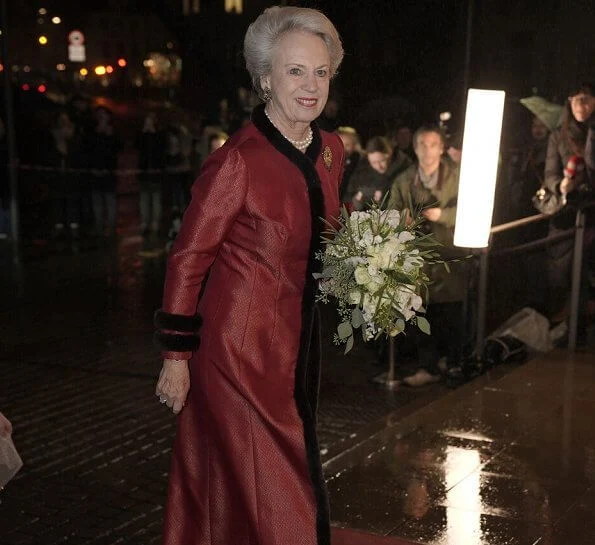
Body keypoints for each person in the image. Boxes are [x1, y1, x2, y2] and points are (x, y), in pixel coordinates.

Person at [153, 6, 344, 544]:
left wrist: (376, 266)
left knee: (249, 484)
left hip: (295, 346)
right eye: (295, 71)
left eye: (321, 72)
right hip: (236, 352)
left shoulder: (331, 151)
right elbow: (189, 257)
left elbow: (331, 229)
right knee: (273, 484)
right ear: (265, 79)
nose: (310, 85)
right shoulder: (237, 160)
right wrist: (176, 357)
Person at [388, 125, 468, 386]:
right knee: (422, 310)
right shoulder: (405, 179)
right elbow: (391, 211)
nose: (427, 150)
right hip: (418, 256)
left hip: (450, 252)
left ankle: (454, 361)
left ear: (442, 148)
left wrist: (443, 216)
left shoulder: (458, 176)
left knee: (452, 309)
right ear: (414, 148)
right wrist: (402, 219)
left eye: (433, 144)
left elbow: (471, 207)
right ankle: (428, 366)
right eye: (421, 144)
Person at [544, 82, 595, 335]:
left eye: (585, 99)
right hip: (569, 212)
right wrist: (562, 184)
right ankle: (565, 322)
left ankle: (581, 322)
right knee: (560, 272)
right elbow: (550, 175)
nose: (580, 106)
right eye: (574, 99)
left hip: (592, 208)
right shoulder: (558, 136)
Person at [347, 135, 412, 210]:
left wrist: (381, 199)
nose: (378, 166)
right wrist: (358, 199)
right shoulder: (363, 169)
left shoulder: (404, 168)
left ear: (389, 154)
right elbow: (352, 194)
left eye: (382, 161)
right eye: (374, 163)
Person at [89, 107, 120, 237]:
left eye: (104, 115)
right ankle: (99, 226)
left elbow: (116, 149)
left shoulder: (112, 132)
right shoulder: (91, 131)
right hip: (94, 172)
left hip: (109, 172)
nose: (102, 117)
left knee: (109, 200)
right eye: (99, 115)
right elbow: (88, 150)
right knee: (97, 201)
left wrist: (109, 135)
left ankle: (111, 227)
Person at [137, 112, 165, 236]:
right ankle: (144, 222)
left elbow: (161, 150)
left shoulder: (160, 135)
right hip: (143, 172)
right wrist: (144, 133)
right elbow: (137, 148)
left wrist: (153, 133)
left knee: (155, 198)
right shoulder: (142, 135)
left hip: (156, 171)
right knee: (144, 198)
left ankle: (155, 223)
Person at [336, 126, 362, 201]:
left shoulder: (360, 162)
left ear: (355, 145)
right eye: (339, 144)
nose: (343, 148)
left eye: (347, 145)